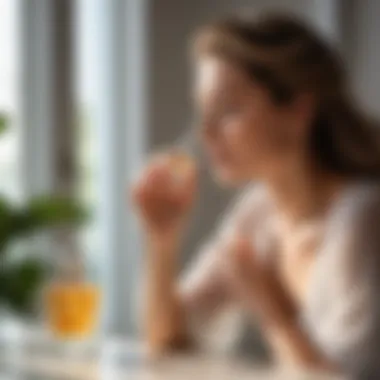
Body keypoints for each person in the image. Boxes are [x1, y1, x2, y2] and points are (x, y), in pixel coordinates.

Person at [132, 12, 380, 378]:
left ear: (298, 111)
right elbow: (167, 344)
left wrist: (272, 308)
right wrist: (162, 239)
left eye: (228, 110)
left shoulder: (363, 218)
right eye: (203, 112)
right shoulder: (259, 212)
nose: (207, 133)